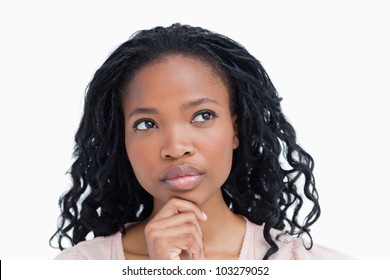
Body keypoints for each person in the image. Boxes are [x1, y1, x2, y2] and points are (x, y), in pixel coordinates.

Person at [50, 23, 352, 260]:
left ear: (236, 130)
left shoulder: (309, 266)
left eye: (202, 115)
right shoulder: (82, 267)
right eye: (146, 124)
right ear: (123, 142)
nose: (176, 147)